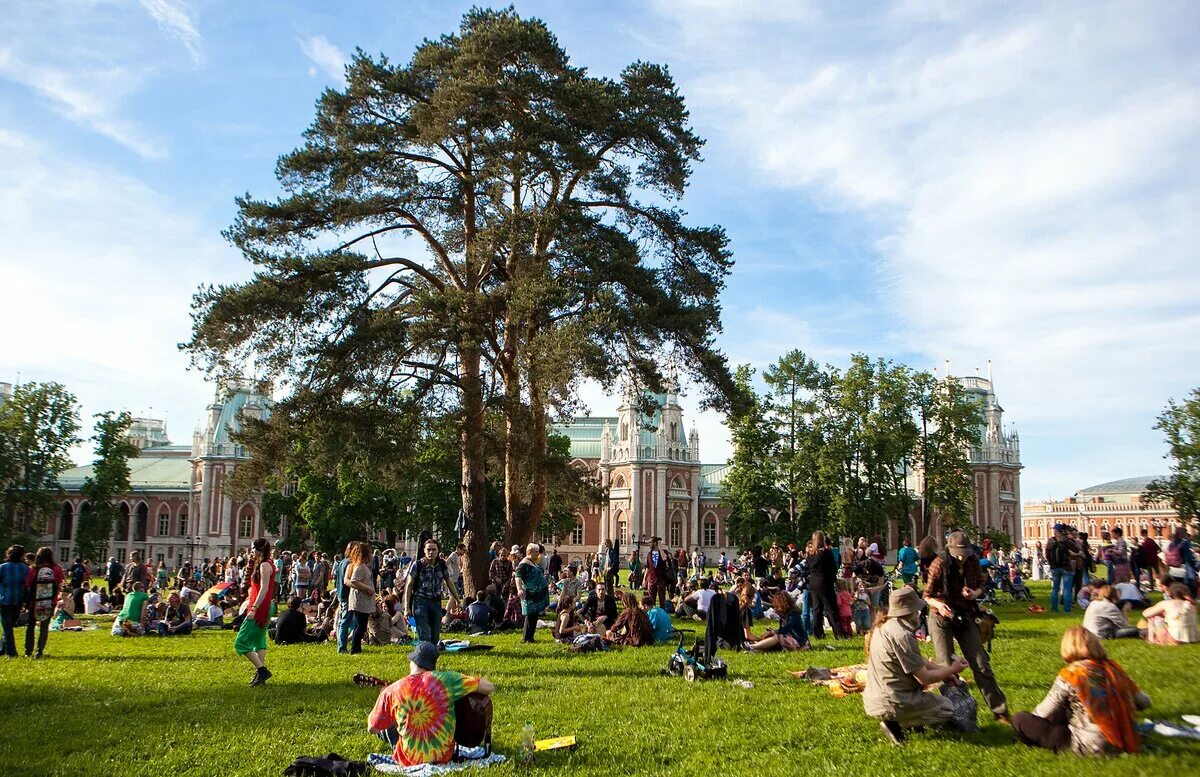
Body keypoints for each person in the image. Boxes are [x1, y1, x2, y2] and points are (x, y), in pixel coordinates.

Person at [1013, 625, 1150, 754]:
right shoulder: (1114, 669)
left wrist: (1028, 724)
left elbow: (1044, 712)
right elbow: (1144, 702)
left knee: (1020, 719)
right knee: (1066, 707)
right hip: (1126, 737)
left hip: (1090, 744)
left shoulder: (1072, 674)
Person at [863, 587, 970, 745]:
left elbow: (919, 661)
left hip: (875, 698)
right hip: (892, 701)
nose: (919, 614)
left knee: (931, 701)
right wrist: (952, 669)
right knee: (947, 708)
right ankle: (898, 723)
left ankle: (905, 720)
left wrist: (945, 672)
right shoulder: (902, 635)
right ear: (910, 611)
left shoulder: (884, 626)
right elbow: (925, 678)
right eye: (917, 610)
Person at [924, 531, 1009, 722]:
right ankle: (952, 713)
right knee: (946, 667)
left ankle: (1000, 710)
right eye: (958, 553)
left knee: (981, 663)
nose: (961, 556)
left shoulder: (972, 561)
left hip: (965, 614)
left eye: (964, 552)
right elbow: (927, 595)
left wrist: (974, 593)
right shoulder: (940, 564)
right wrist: (939, 605)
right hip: (941, 618)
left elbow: (982, 583)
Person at [367, 641, 494, 767]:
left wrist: (382, 698)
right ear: (432, 665)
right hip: (444, 756)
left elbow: (372, 728)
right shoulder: (448, 680)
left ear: (412, 661)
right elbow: (489, 687)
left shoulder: (392, 690)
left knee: (386, 724)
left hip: (409, 760)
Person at [235, 538, 276, 686]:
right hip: (265, 605)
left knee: (240, 642)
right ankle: (261, 677)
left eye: (252, 548)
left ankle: (262, 670)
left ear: (259, 549)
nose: (251, 551)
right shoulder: (265, 563)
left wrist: (254, 608)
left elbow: (264, 588)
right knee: (259, 641)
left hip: (261, 607)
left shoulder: (265, 565)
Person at [404, 539, 460, 645]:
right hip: (420, 602)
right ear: (424, 551)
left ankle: (432, 651)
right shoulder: (417, 565)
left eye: (434, 549)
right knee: (424, 633)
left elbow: (449, 581)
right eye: (428, 549)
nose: (431, 552)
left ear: (438, 551)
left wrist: (457, 599)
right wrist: (406, 607)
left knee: (435, 634)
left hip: (436, 602)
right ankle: (424, 654)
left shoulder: (442, 565)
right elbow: (409, 585)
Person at [24, 546, 63, 658]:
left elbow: (27, 585)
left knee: (30, 626)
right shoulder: (56, 568)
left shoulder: (33, 568)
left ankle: (28, 651)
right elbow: (60, 585)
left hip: (34, 602)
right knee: (44, 627)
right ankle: (39, 651)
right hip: (50, 602)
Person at [806, 530, 843, 639]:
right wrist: (832, 580)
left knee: (817, 609)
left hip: (813, 583)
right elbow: (833, 569)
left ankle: (818, 633)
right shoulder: (827, 553)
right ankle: (838, 633)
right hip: (825, 583)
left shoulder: (810, 554)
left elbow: (809, 568)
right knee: (831, 609)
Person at [344, 541, 377, 654]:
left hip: (360, 599)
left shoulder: (356, 565)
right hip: (361, 600)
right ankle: (355, 649)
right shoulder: (360, 567)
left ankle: (356, 648)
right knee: (361, 626)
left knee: (360, 625)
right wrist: (368, 589)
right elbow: (354, 580)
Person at [513, 543, 549, 643]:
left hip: (535, 595)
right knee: (529, 616)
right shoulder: (524, 563)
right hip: (529, 594)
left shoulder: (532, 562)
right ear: (530, 552)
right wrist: (519, 588)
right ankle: (526, 638)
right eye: (536, 552)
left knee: (534, 616)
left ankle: (530, 637)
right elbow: (518, 576)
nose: (538, 554)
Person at [0, 545, 29, 657]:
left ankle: (11, 653)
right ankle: (3, 649)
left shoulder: (3, 567)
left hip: (4, 599)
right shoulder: (25, 568)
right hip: (18, 600)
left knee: (7, 628)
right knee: (9, 626)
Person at [1045, 525, 1076, 613]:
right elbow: (1075, 549)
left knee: (1055, 589)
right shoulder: (1066, 541)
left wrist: (1051, 563)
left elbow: (1047, 554)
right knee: (1067, 589)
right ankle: (1067, 609)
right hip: (1066, 567)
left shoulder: (1051, 541)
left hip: (1054, 567)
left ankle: (1054, 608)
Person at [644, 538, 668, 607]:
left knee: (662, 599)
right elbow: (648, 567)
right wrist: (644, 580)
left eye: (650, 542)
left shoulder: (663, 552)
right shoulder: (649, 554)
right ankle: (652, 612)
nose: (649, 544)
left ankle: (662, 612)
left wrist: (660, 548)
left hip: (661, 579)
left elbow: (664, 558)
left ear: (655, 543)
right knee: (651, 599)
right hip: (651, 579)